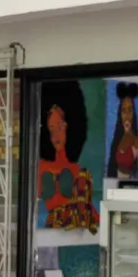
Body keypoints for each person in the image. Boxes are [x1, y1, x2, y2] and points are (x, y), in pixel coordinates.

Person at [37, 81, 99, 233]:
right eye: (51, 130)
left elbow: (90, 214)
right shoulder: (42, 167)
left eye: (60, 127)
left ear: (71, 125)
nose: (55, 136)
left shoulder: (76, 170)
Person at [106, 82, 138, 182]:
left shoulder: (137, 142)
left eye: (130, 110)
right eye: (124, 111)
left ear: (134, 113)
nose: (127, 115)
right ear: (120, 114)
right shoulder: (116, 141)